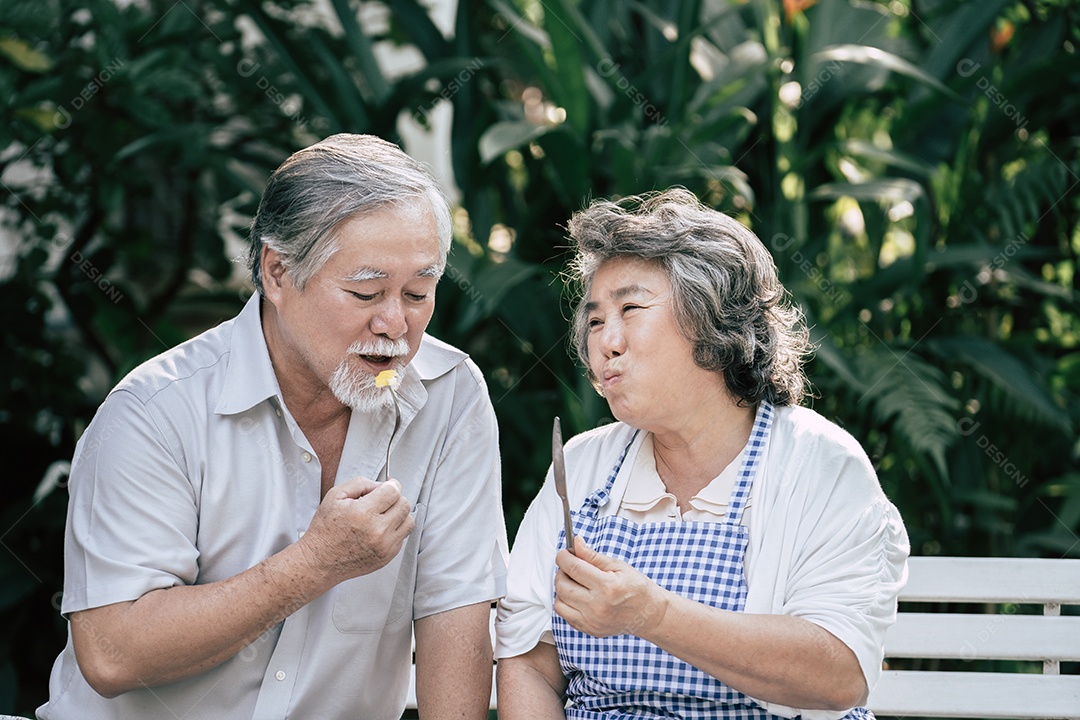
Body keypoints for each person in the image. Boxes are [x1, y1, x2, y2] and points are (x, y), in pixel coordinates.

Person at [39, 134, 508, 720]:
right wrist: (314, 563)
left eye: (418, 292)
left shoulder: (450, 395)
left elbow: (456, 610)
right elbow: (110, 655)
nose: (395, 324)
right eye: (366, 292)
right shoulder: (154, 411)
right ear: (279, 271)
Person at [495, 188, 909, 719]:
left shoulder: (821, 464)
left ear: (713, 325)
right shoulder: (582, 467)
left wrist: (654, 615)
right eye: (596, 320)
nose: (606, 342)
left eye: (631, 309)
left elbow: (839, 677)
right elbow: (529, 662)